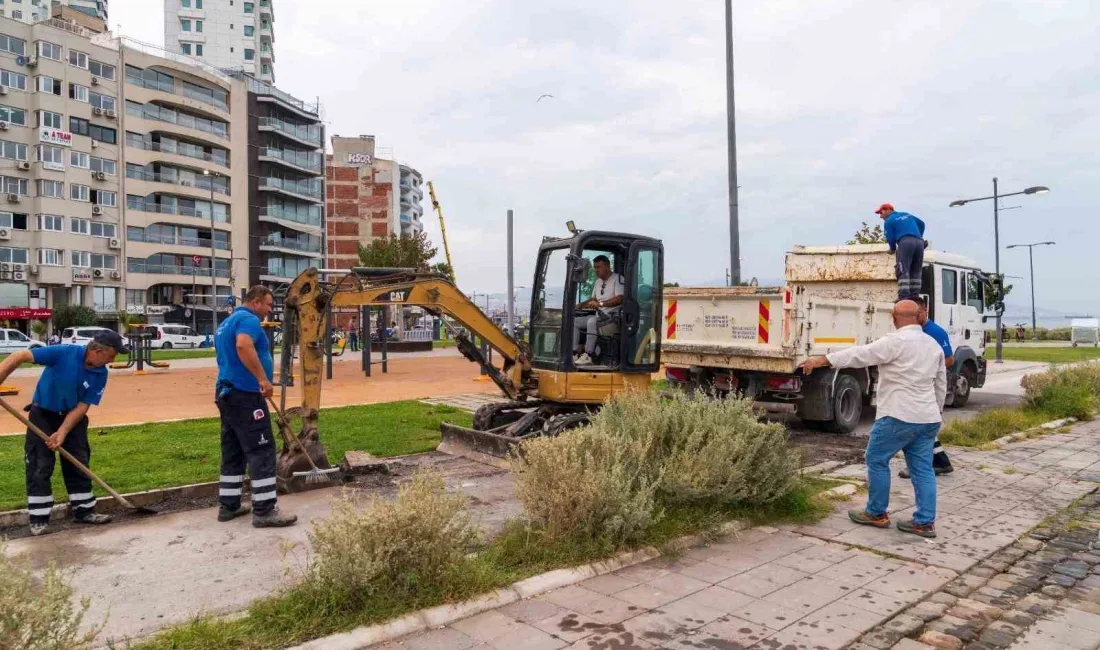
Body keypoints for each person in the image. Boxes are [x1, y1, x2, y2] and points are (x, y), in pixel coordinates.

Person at [800, 300, 946, 538]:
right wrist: (936, 412)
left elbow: (860, 355)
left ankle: (876, 513)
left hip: (898, 414)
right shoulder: (933, 345)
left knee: (876, 459)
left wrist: (822, 360)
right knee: (922, 469)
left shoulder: (894, 342)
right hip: (927, 417)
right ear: (919, 317)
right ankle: (924, 522)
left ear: (894, 318)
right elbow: (941, 383)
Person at [0, 331, 128, 536]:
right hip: (43, 414)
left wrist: (62, 432)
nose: (113, 360)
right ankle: (39, 519)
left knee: (78, 461)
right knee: (39, 465)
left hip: (72, 418)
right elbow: (20, 356)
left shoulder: (100, 372)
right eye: (111, 356)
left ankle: (84, 511)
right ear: (96, 351)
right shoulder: (63, 353)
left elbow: (82, 405)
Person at [214, 285, 297, 528]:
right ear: (257, 301)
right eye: (269, 305)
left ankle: (228, 506)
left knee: (234, 451)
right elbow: (243, 345)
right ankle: (264, 511)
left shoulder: (227, 322)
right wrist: (262, 379)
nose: (270, 310)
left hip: (227, 394)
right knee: (262, 450)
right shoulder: (249, 320)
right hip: (246, 396)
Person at [898, 296, 954, 478]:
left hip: (928, 386)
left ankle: (924, 466)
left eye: (917, 313)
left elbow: (949, 359)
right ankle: (941, 462)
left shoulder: (935, 332)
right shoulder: (911, 333)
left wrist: (926, 370)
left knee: (916, 427)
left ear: (924, 312)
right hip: (916, 386)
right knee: (922, 429)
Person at [573, 255, 625, 365]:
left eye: (599, 267)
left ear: (607, 266)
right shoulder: (598, 282)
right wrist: (581, 305)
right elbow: (593, 299)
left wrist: (600, 304)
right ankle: (574, 353)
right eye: (595, 267)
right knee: (575, 322)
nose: (596, 270)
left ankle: (589, 355)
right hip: (599, 316)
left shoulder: (618, 279)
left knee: (591, 322)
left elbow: (620, 298)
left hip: (612, 318)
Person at [877, 203, 926, 300]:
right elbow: (922, 224)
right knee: (916, 270)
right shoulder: (906, 214)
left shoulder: (889, 221)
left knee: (903, 269)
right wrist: (919, 236)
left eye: (881, 213)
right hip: (919, 242)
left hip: (905, 242)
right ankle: (915, 296)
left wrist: (892, 249)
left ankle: (903, 297)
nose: (880, 216)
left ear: (888, 210)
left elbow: (890, 237)